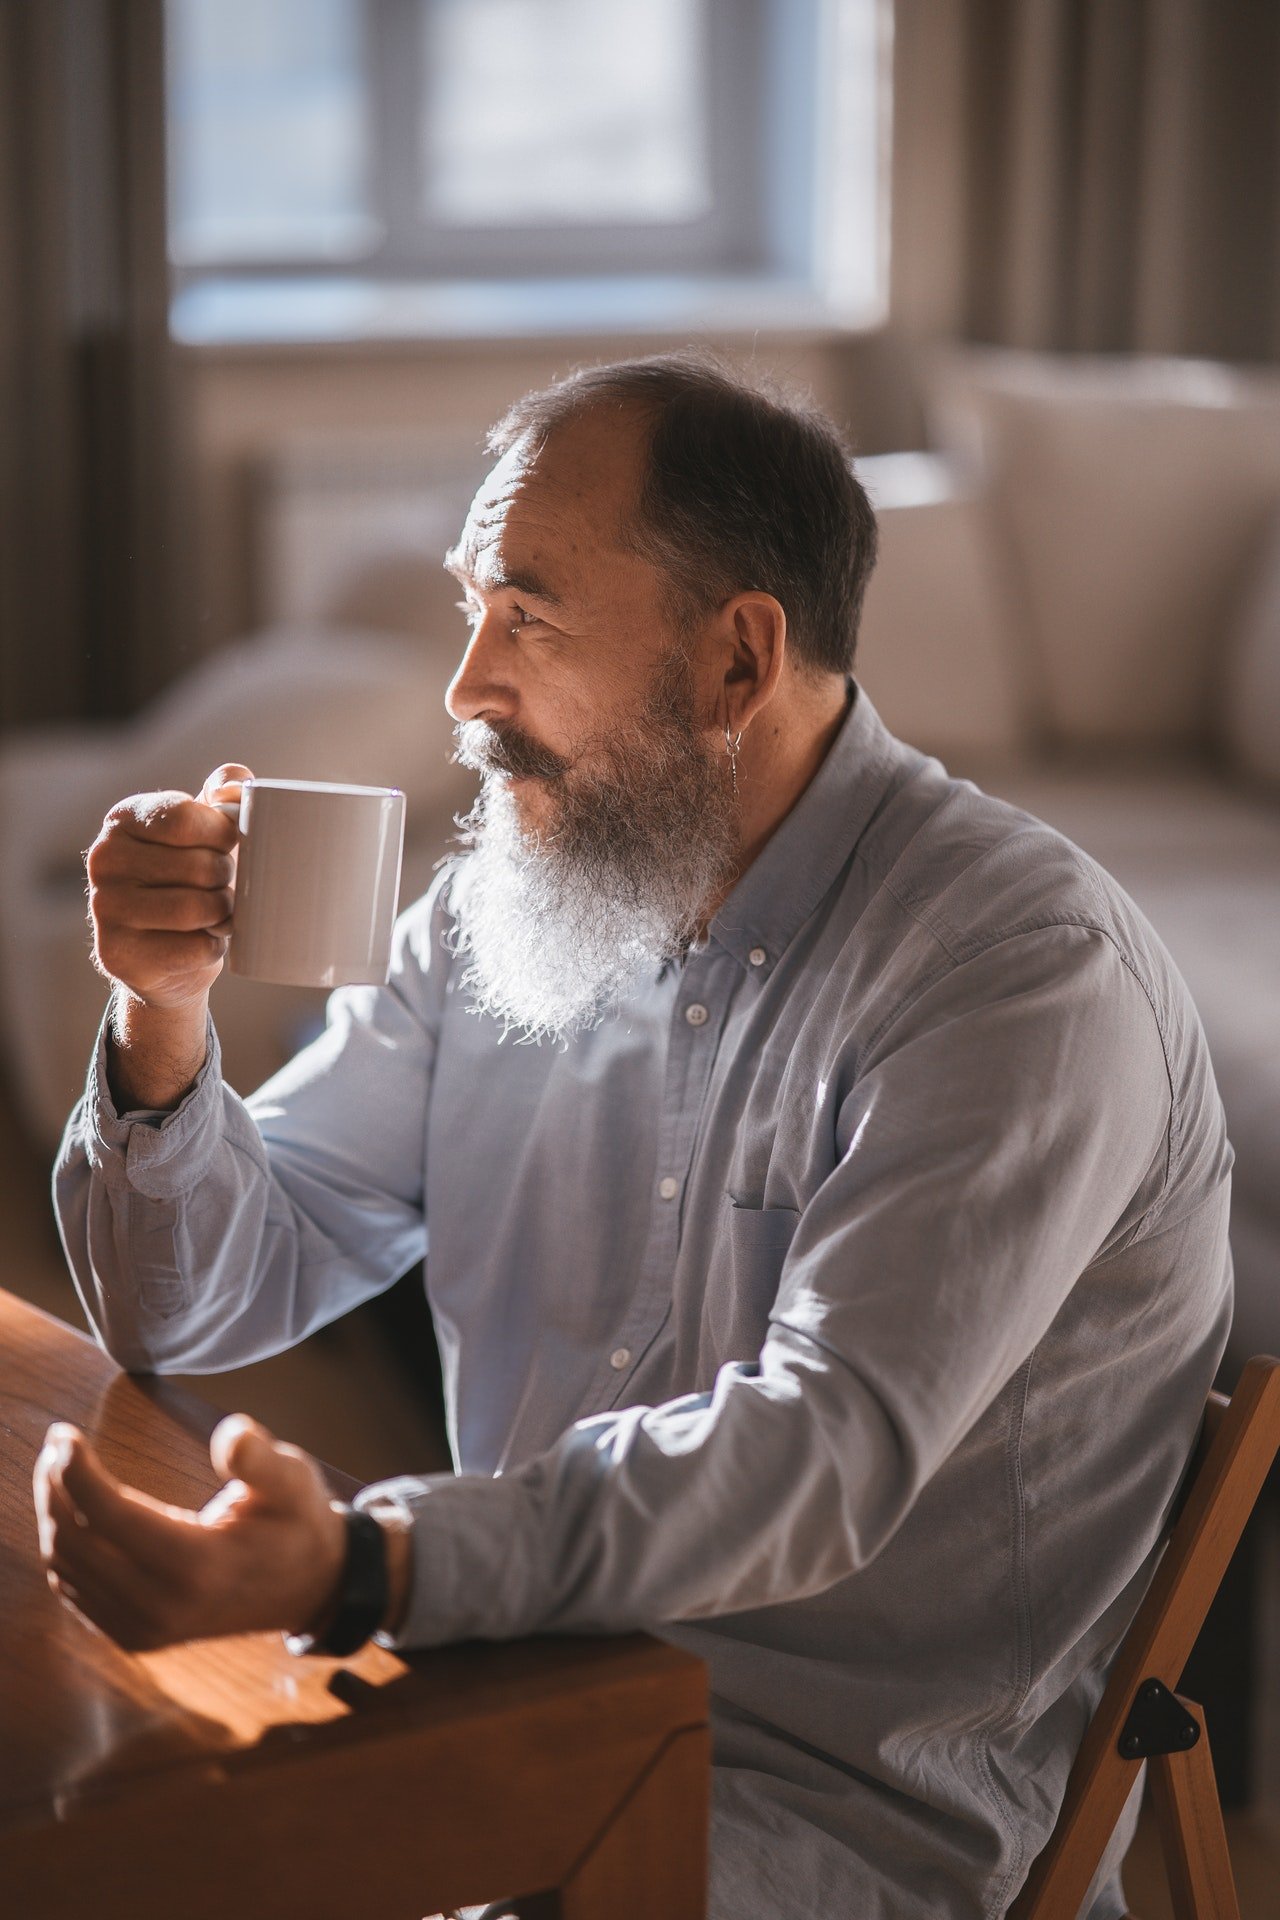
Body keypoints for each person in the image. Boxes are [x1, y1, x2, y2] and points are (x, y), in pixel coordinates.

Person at [37, 354, 1232, 1920]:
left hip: (832, 1817)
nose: (466, 687)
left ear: (738, 661)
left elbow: (819, 1450)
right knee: (108, 1831)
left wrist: (365, 1565)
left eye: (524, 615)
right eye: (474, 606)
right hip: (519, 1703)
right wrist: (163, 1019)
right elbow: (190, 1304)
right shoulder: (497, 911)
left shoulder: (1015, 970)